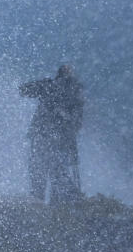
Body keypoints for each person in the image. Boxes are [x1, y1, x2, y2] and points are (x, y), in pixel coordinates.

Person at [19, 64, 84, 204]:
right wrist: (65, 118)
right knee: (57, 171)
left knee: (39, 169)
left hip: (42, 134)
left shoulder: (49, 85)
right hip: (61, 138)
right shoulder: (74, 91)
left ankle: (38, 203)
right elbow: (77, 121)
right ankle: (56, 207)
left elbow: (24, 90)